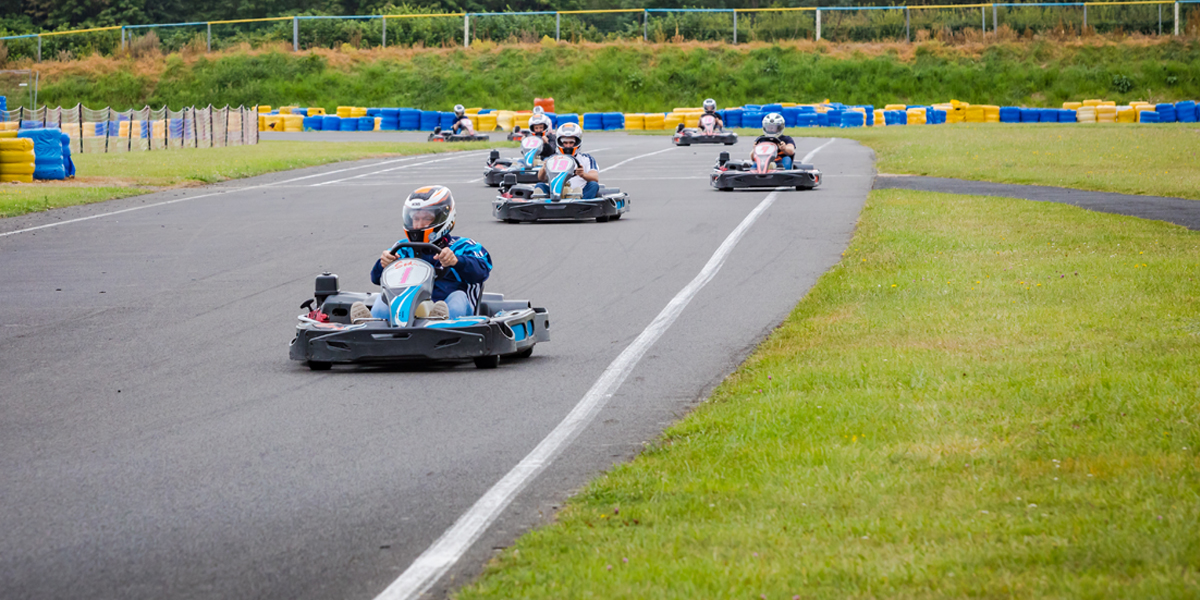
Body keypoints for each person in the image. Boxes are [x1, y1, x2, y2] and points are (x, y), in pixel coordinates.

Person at [351, 186, 492, 322]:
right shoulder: (402, 248)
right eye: (416, 219)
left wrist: (456, 261)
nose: (418, 225)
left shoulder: (464, 246)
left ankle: (438, 322)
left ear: (442, 218)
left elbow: (482, 271)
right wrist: (383, 264)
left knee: (457, 297)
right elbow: (376, 278)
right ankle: (372, 326)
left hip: (452, 310)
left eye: (426, 219)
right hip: (408, 311)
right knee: (383, 300)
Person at [536, 122, 600, 200]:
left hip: (581, 193)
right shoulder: (553, 158)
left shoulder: (586, 158)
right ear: (559, 143)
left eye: (571, 142)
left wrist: (583, 174)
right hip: (556, 192)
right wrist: (544, 168)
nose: (568, 146)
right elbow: (541, 178)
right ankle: (541, 205)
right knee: (539, 186)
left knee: (593, 185)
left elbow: (595, 177)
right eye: (565, 143)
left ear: (577, 142)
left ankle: (578, 202)